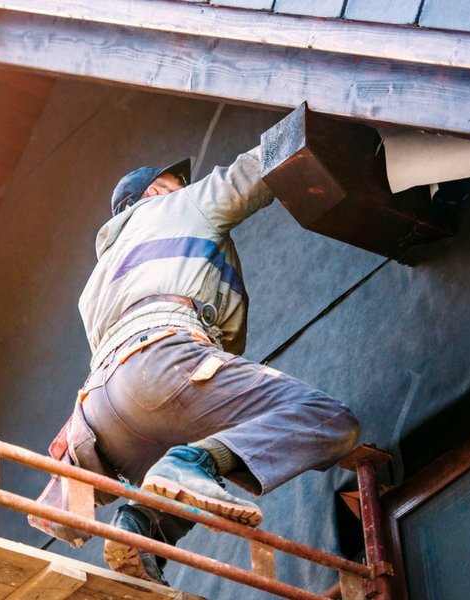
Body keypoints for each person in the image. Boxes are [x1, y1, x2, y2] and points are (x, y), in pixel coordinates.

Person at [71, 146, 359, 584]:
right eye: (176, 183)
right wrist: (315, 126)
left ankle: (142, 528)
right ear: (155, 191)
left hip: (102, 415)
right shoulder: (174, 206)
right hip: (161, 362)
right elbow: (247, 175)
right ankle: (189, 465)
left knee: (190, 458)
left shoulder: (95, 280)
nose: (185, 187)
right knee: (329, 419)